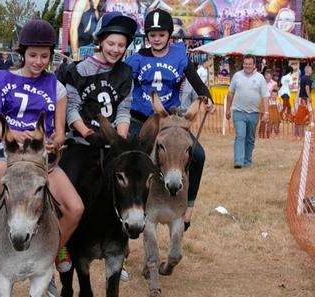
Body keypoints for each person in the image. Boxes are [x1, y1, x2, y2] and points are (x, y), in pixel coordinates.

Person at [0, 20, 84, 293]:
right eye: (33, 55)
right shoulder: (2, 80)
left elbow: (60, 133)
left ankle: (52, 255)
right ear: (22, 53)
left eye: (44, 56)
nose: (38, 61)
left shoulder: (56, 87)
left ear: (51, 56)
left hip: (40, 161)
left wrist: (51, 143)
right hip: (7, 156)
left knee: (75, 208)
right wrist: (16, 134)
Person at [59, 11, 137, 282]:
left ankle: (120, 249)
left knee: (131, 188)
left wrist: (119, 140)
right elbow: (72, 108)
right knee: (65, 184)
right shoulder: (77, 70)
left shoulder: (126, 72)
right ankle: (61, 247)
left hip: (112, 141)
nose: (116, 49)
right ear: (101, 41)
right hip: (83, 141)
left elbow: (124, 110)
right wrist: (87, 133)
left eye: (121, 45)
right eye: (111, 43)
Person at [126, 9, 214, 230]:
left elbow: (195, 79)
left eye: (161, 35)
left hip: (170, 122)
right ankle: (132, 208)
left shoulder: (179, 55)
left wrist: (208, 97)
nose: (156, 39)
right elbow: (121, 82)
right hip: (141, 119)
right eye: (152, 35)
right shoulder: (137, 58)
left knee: (199, 155)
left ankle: (189, 206)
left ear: (169, 36)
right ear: (147, 36)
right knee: (130, 160)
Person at [226, 55, 269, 168]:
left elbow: (265, 96)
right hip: (238, 112)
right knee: (240, 135)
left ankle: (247, 160)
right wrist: (227, 110)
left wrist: (266, 112)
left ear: (254, 65)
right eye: (245, 63)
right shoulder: (237, 76)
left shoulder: (260, 78)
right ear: (243, 64)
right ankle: (238, 161)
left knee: (250, 138)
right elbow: (230, 93)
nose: (247, 66)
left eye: (250, 64)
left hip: (254, 113)